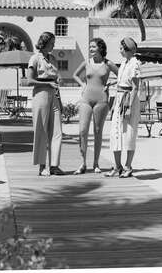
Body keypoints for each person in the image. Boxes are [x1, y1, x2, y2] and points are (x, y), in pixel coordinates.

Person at [72, 38, 118, 174]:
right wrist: (82, 84)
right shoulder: (86, 62)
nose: (90, 49)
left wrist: (110, 84)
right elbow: (75, 75)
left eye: (93, 47)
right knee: (82, 131)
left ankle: (96, 163)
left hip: (102, 100)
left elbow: (121, 75)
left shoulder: (108, 63)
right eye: (90, 47)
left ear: (100, 48)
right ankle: (83, 163)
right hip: (86, 99)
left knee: (98, 131)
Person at [27, 32, 65, 176]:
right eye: (51, 43)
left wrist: (58, 81)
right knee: (41, 130)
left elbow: (56, 79)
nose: (53, 46)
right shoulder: (35, 58)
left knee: (57, 131)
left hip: (54, 95)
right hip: (41, 94)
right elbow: (29, 80)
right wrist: (47, 82)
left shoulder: (53, 59)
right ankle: (42, 167)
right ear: (44, 43)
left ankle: (54, 165)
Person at [105, 37, 141, 178]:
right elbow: (120, 83)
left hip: (129, 100)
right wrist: (114, 104)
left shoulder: (135, 63)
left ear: (127, 49)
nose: (119, 50)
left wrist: (130, 107)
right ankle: (117, 165)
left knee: (129, 134)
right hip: (119, 98)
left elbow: (135, 87)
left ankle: (128, 166)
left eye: (121, 48)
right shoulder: (124, 63)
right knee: (115, 133)